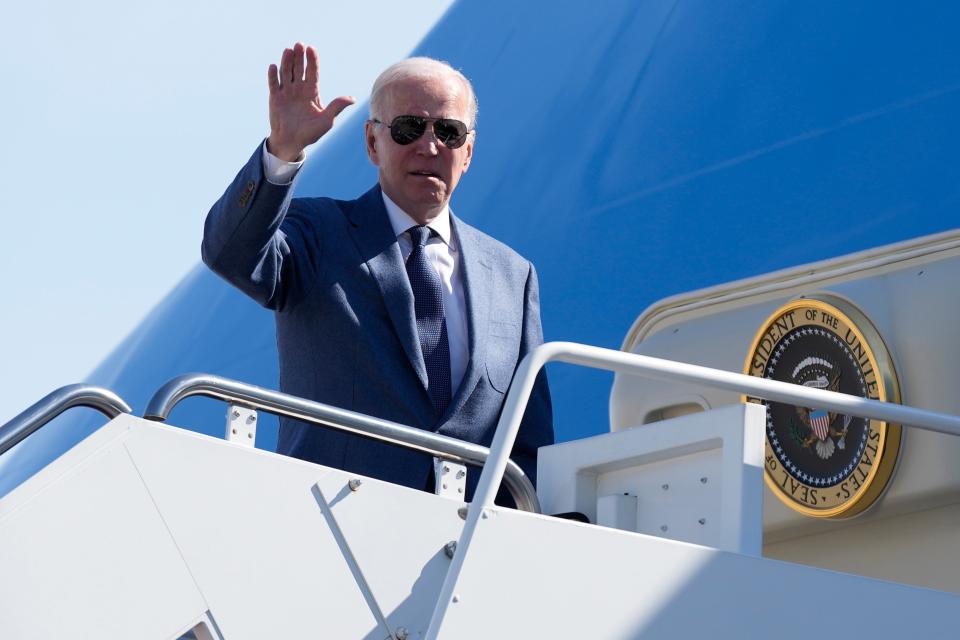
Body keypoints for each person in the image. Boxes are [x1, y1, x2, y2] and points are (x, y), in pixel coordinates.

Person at [202, 42, 553, 503]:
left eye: (448, 131)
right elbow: (230, 253)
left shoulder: (513, 275)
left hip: (464, 546)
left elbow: (528, 444)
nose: (429, 145)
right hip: (332, 525)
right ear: (372, 142)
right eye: (408, 128)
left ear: (467, 152)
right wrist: (282, 150)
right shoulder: (319, 233)